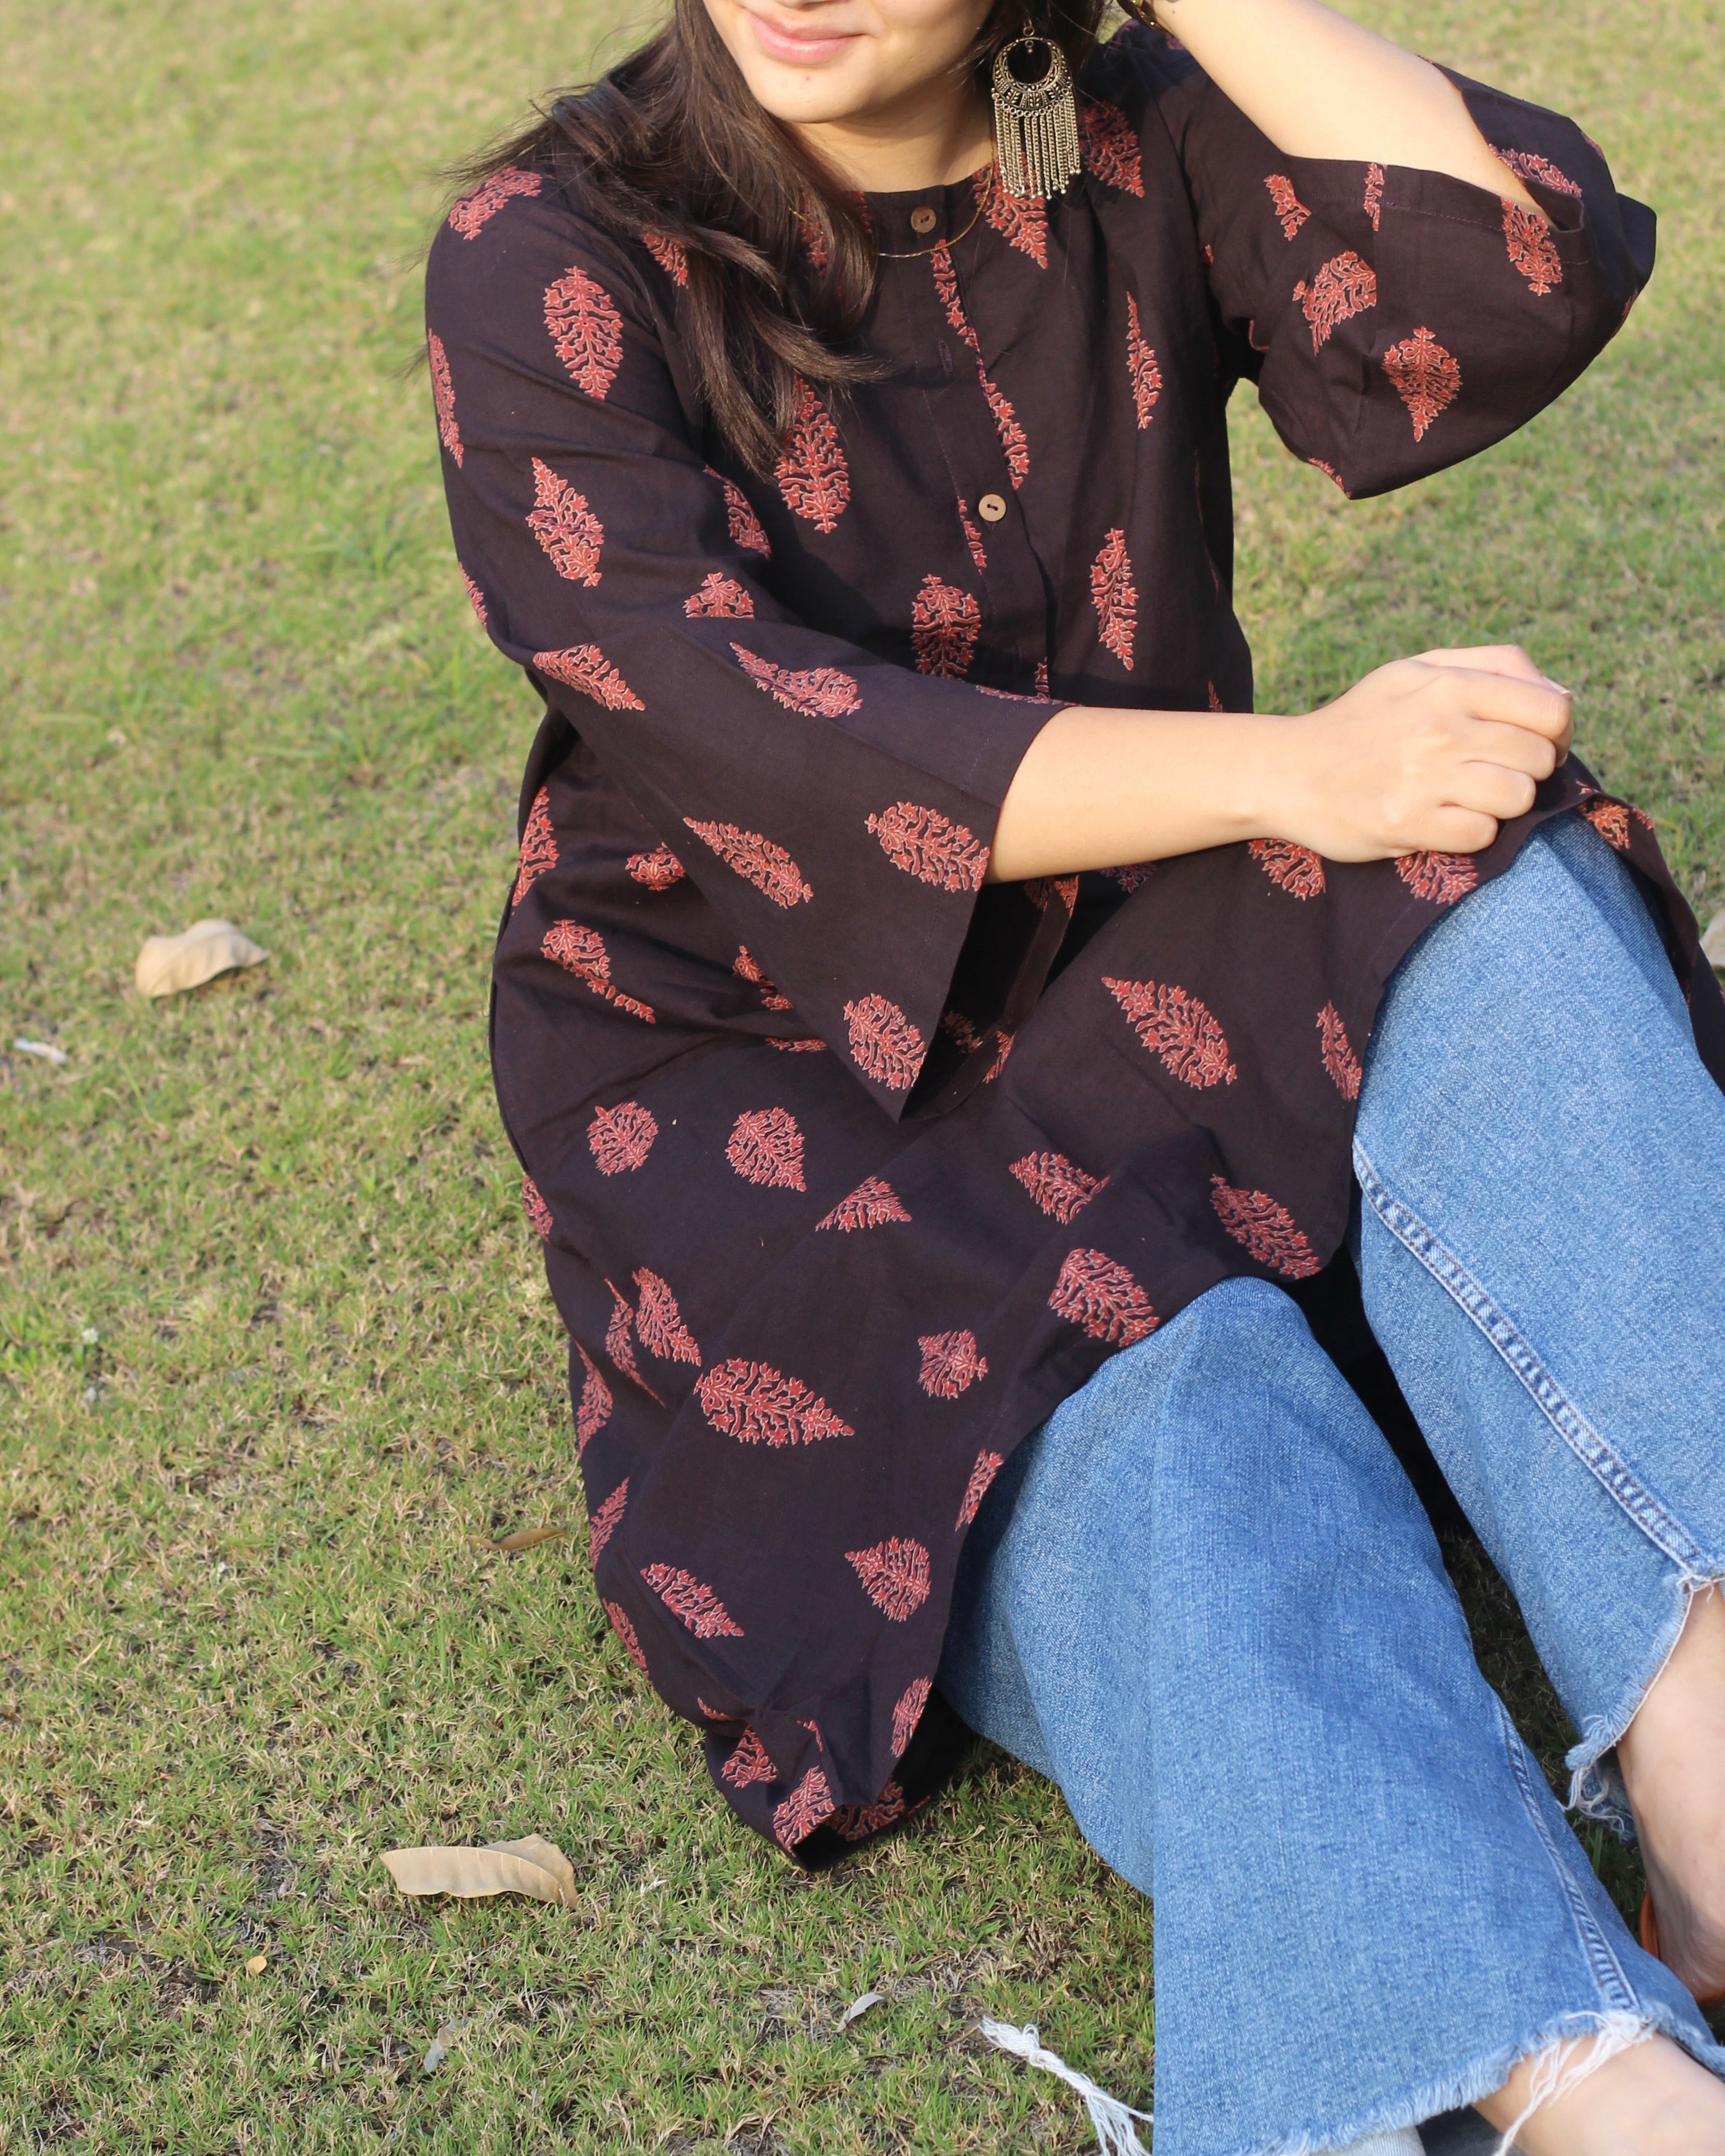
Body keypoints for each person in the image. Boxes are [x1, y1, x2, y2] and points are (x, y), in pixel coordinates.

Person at [424, 0, 1725, 2143]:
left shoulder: (1128, 136)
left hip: (1138, 978)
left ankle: (1705, 1767)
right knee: (1186, 1425)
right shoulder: (547, 245)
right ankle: (1586, 2093)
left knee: (1475, 858)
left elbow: (1513, 279)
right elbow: (746, 727)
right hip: (769, 1132)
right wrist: (1293, 764)